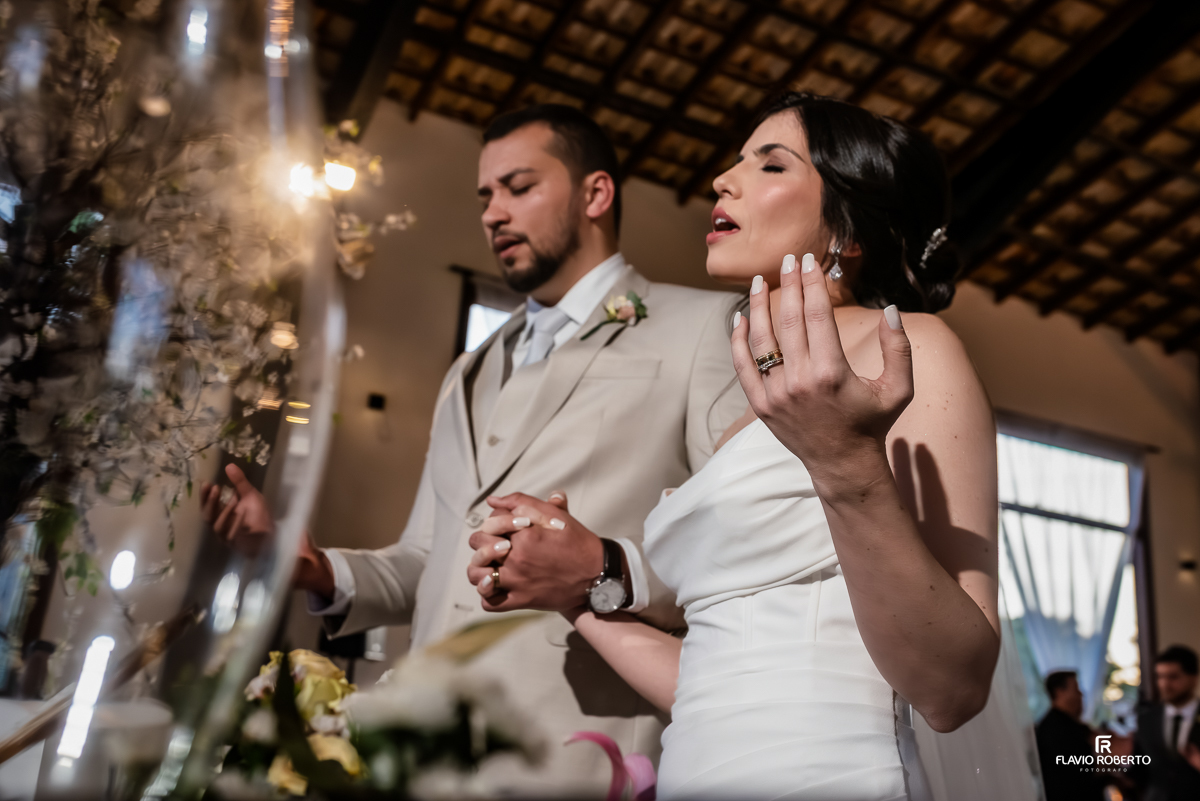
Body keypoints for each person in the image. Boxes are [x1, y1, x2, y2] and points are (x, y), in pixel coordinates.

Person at [201, 104, 747, 795]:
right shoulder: (470, 368)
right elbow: (431, 558)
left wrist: (599, 568)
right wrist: (315, 568)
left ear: (595, 193)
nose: (493, 212)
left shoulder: (701, 326)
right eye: (486, 195)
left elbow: (737, 556)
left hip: (577, 754)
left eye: (519, 187)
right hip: (427, 754)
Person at [469, 92, 1002, 799]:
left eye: (770, 163)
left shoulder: (910, 348)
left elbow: (953, 687)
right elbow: (716, 681)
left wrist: (844, 462)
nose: (723, 178)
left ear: (848, 232)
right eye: (735, 160)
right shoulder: (743, 416)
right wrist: (572, 594)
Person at [1133, 645, 1200, 800]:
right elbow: (1139, 772)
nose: (1164, 685)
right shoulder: (1146, 720)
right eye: (1160, 677)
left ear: (1193, 678)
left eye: (1173, 677)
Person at [1035, 671, 1107, 801]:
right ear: (1059, 692)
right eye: (1076, 688)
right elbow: (1079, 770)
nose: (1081, 694)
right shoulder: (1054, 729)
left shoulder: (1071, 726)